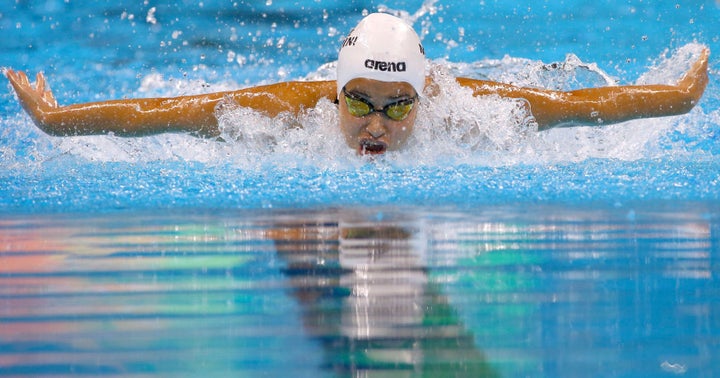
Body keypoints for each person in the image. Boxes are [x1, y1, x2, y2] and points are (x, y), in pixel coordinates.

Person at [5, 13, 710, 155]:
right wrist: (57, 120)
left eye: (397, 106)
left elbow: (587, 107)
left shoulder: (466, 111)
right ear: (334, 95)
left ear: (423, 94)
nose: (376, 125)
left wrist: (680, 98)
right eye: (359, 104)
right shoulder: (286, 113)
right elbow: (162, 112)